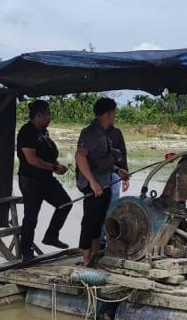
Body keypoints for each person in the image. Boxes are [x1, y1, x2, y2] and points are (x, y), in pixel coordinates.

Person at [76, 97, 129, 266]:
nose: (114, 117)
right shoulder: (92, 133)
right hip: (94, 186)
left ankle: (96, 253)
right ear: (108, 113)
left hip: (105, 182)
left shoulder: (104, 132)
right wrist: (92, 182)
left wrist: (117, 170)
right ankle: (85, 259)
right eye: (113, 113)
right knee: (90, 221)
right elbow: (80, 156)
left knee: (99, 220)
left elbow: (100, 160)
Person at [17, 100, 71, 261]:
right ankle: (26, 253)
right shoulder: (27, 132)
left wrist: (57, 165)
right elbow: (32, 159)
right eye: (48, 114)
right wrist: (54, 168)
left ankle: (51, 236)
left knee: (65, 203)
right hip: (31, 180)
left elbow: (46, 156)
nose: (50, 117)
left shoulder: (43, 132)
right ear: (39, 115)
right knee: (31, 217)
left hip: (46, 179)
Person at [100, 121, 130, 246]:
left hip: (115, 175)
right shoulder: (94, 133)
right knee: (100, 207)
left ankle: (110, 237)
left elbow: (122, 154)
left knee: (113, 205)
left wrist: (126, 177)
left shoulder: (116, 133)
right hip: (99, 174)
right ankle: (100, 240)